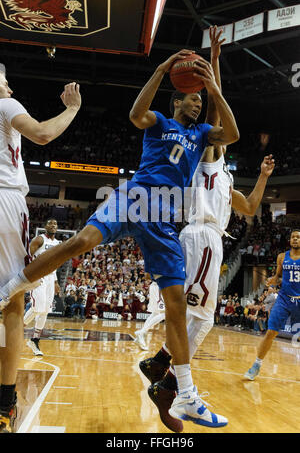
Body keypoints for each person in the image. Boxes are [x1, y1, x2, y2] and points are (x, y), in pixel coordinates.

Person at [0, 47, 240, 430]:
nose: (197, 106)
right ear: (177, 99)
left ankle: (186, 395)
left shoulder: (202, 132)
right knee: (82, 241)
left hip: (166, 217)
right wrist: (162, 69)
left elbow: (233, 132)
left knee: (177, 308)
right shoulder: (160, 120)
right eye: (192, 99)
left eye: (200, 101)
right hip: (135, 198)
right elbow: (134, 114)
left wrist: (213, 86)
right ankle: (8, 289)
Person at [139, 26, 275, 432]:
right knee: (199, 317)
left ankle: (162, 366)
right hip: (198, 235)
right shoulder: (205, 151)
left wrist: (265, 176)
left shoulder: (226, 178)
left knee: (201, 317)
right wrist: (214, 66)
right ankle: (170, 384)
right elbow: (215, 114)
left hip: (212, 240)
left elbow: (250, 208)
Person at [0, 67, 81, 433]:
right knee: (12, 303)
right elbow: (44, 133)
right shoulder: (6, 104)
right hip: (4, 202)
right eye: (5, 80)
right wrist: (73, 109)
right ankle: (5, 402)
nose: (9, 85)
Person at [244, 230, 300, 380]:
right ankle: (256, 365)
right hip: (284, 299)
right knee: (271, 332)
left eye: (298, 237)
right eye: (293, 237)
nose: (295, 239)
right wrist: (272, 280)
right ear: (289, 240)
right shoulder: (282, 257)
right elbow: (278, 276)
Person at [24, 218, 61, 356]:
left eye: (55, 224)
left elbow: (55, 264)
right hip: (39, 277)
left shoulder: (57, 243)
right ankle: (14, 331)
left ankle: (34, 340)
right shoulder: (39, 240)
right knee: (37, 308)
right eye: (50, 223)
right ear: (45, 226)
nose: (53, 225)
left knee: (45, 311)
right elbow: (27, 256)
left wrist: (56, 281)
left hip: (51, 278)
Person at [134, 278, 165, 351]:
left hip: (157, 286)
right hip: (159, 286)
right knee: (164, 313)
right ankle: (142, 332)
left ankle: (141, 334)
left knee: (156, 313)